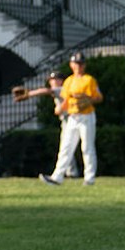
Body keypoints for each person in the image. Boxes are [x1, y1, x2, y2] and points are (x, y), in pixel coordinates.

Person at [29, 54, 102, 185]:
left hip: (87, 116)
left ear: (84, 65)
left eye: (81, 63)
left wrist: (89, 100)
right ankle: (57, 177)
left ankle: (89, 178)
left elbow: (99, 97)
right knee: (66, 147)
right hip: (73, 117)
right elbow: (66, 99)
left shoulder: (89, 80)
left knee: (87, 147)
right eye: (76, 63)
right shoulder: (69, 81)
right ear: (71, 65)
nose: (78, 66)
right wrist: (60, 108)